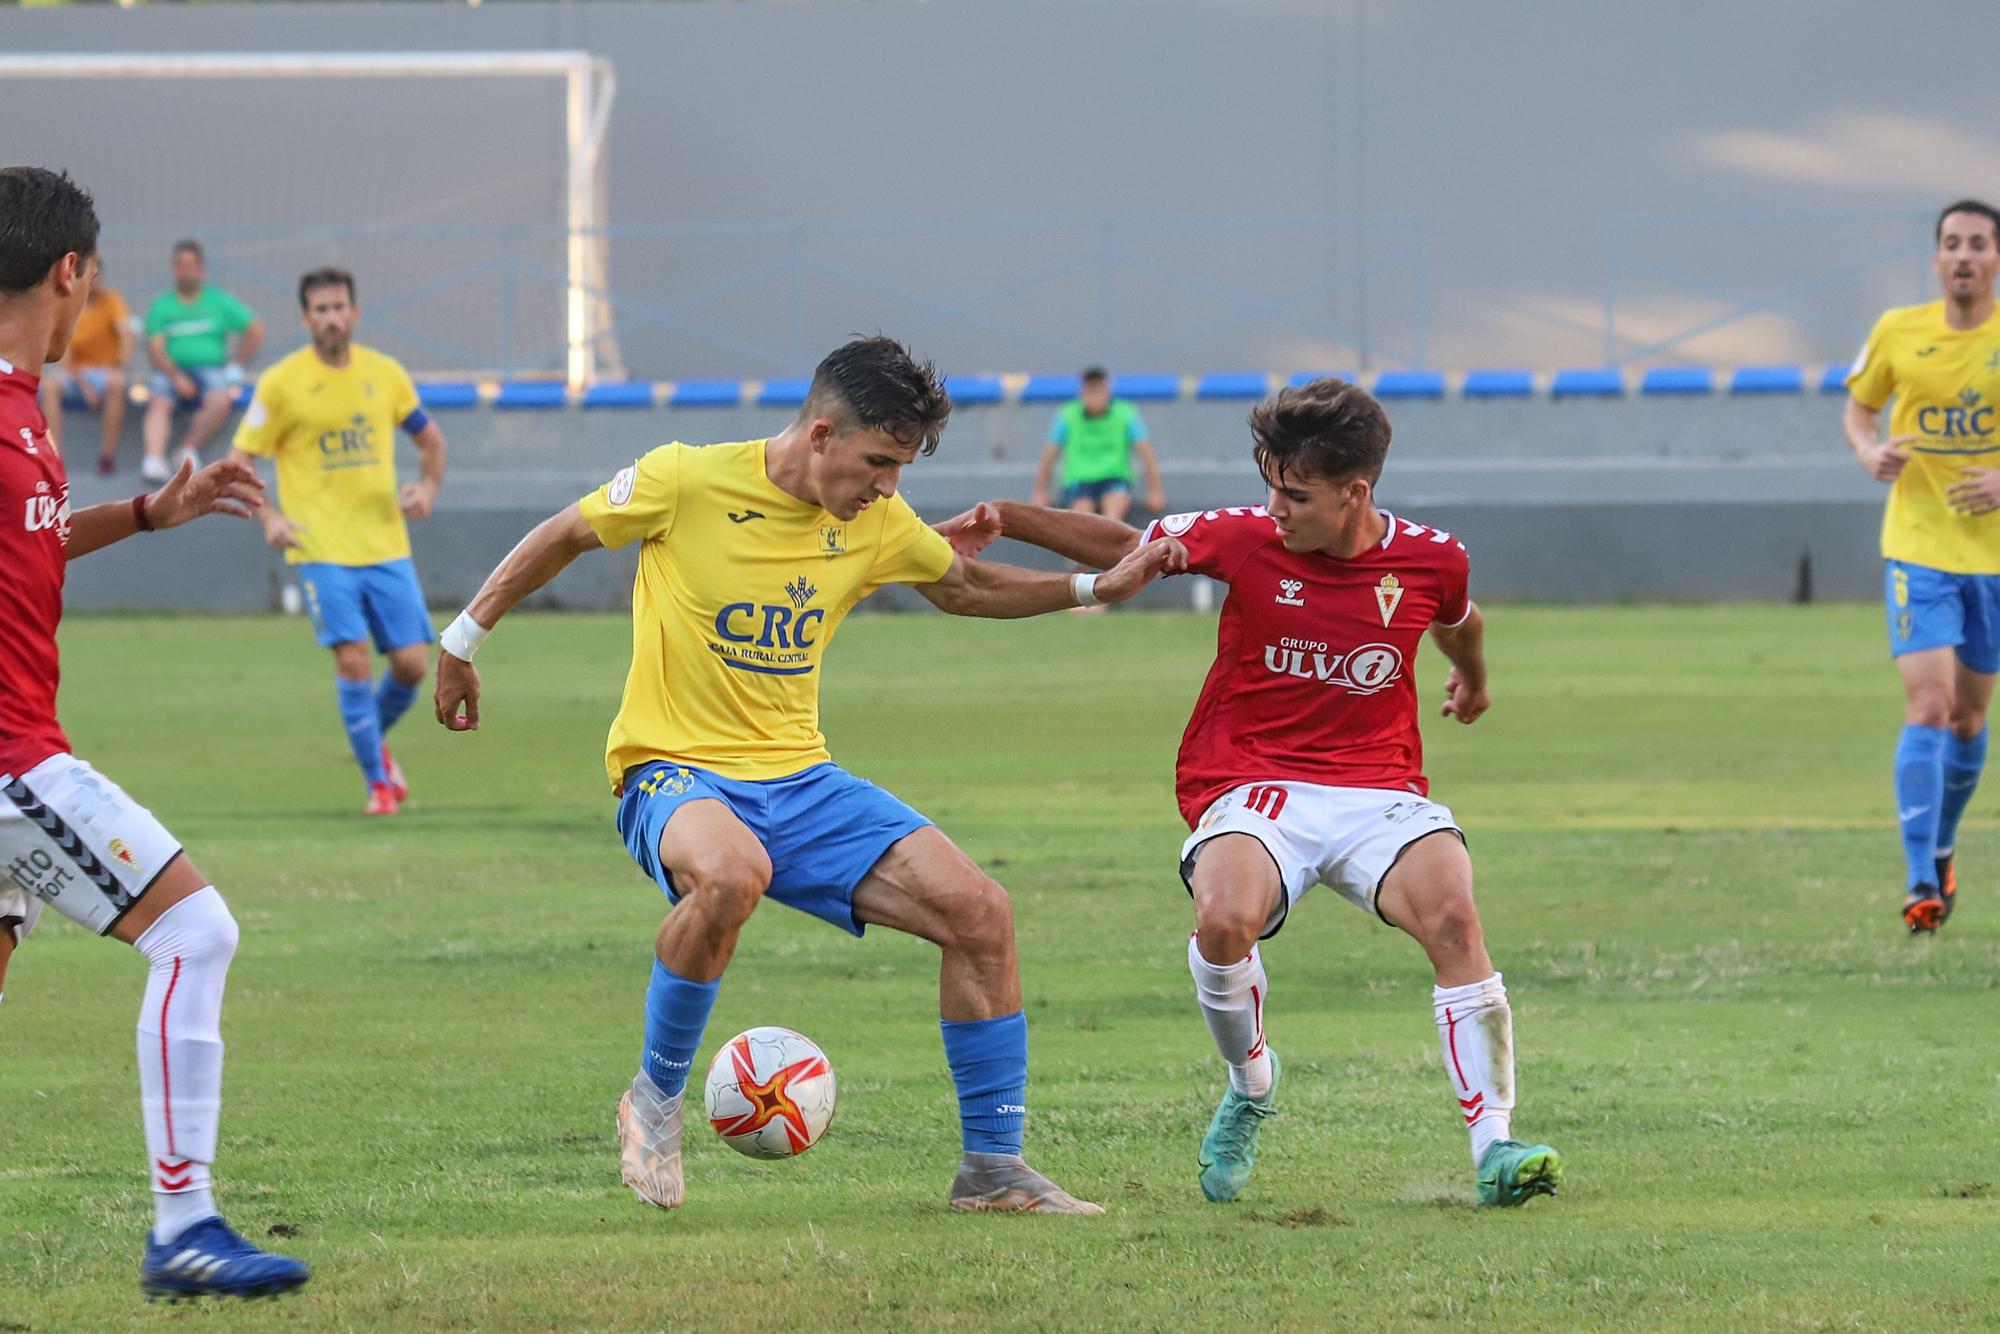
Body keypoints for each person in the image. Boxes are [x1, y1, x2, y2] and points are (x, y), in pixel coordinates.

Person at [432, 336, 1183, 1215]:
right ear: (822, 433)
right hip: (673, 770)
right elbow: (562, 536)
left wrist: (1095, 588)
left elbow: (967, 586)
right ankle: (655, 1098)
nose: (888, 487)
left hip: (801, 780)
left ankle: (992, 1172)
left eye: (900, 468)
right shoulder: (685, 479)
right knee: (729, 873)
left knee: (981, 914)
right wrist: (461, 641)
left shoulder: (871, 521)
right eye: (878, 461)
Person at [943, 377, 1563, 1207]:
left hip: (1378, 786)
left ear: (1357, 491)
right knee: (1224, 920)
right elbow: (1130, 544)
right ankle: (1252, 1082)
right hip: (1251, 775)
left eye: (1295, 495)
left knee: (1454, 915)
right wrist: (1011, 517)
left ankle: (1495, 1146)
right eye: (1270, 487)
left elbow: (1460, 617)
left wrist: (1472, 681)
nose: (1275, 508)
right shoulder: (1242, 537)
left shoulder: (1431, 557)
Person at [0, 165, 309, 1302]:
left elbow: (26, 541)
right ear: (70, 271)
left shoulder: (22, 399)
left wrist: (143, 513)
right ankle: (185, 1223)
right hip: (11, 761)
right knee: (198, 931)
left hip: (20, 750)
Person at [229, 267, 447, 816]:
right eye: (320, 309)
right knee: (352, 662)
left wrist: (426, 487)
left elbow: (430, 440)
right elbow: (239, 460)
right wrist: (269, 516)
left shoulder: (385, 374)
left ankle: (371, 739)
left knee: (413, 666)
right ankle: (379, 784)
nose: (330, 317)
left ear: (354, 313)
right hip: (319, 547)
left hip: (385, 545)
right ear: (306, 318)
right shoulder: (280, 384)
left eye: (338, 307)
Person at [1845, 198, 2000, 934]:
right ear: (1936, 259)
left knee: (1970, 720)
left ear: (1995, 258)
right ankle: (1917, 883)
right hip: (1916, 547)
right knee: (1930, 705)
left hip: (1993, 557)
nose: (1964, 255)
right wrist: (1868, 451)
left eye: (1977, 243)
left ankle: (1941, 847)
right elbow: (1860, 409)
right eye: (1951, 243)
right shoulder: (1898, 332)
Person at [140, 240, 263, 482]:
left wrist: (236, 364)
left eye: (191, 265)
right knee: (160, 400)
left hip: (210, 368)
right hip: (170, 369)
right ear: (174, 269)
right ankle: (154, 457)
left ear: (201, 269)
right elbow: (155, 350)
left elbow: (255, 328)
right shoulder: (162, 306)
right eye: (180, 265)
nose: (186, 271)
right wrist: (176, 377)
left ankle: (188, 447)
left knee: (220, 399)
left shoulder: (218, 301)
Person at [1031, 366, 1166, 521]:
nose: (1095, 396)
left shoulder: (1125, 413)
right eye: (1090, 390)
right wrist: (1040, 492)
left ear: (1107, 390)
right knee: (1082, 515)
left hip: (1114, 476)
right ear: (1083, 391)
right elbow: (1050, 455)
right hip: (1079, 479)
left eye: (1099, 389)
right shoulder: (1068, 415)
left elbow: (1146, 453)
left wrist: (1156, 491)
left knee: (1114, 511)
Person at [40, 267, 131, 475]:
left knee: (117, 383)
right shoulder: (70, 305)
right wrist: (85, 387)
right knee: (50, 385)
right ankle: (54, 453)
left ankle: (107, 454)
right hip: (77, 375)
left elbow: (125, 333)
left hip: (105, 373)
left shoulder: (111, 301)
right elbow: (65, 354)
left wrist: (121, 366)